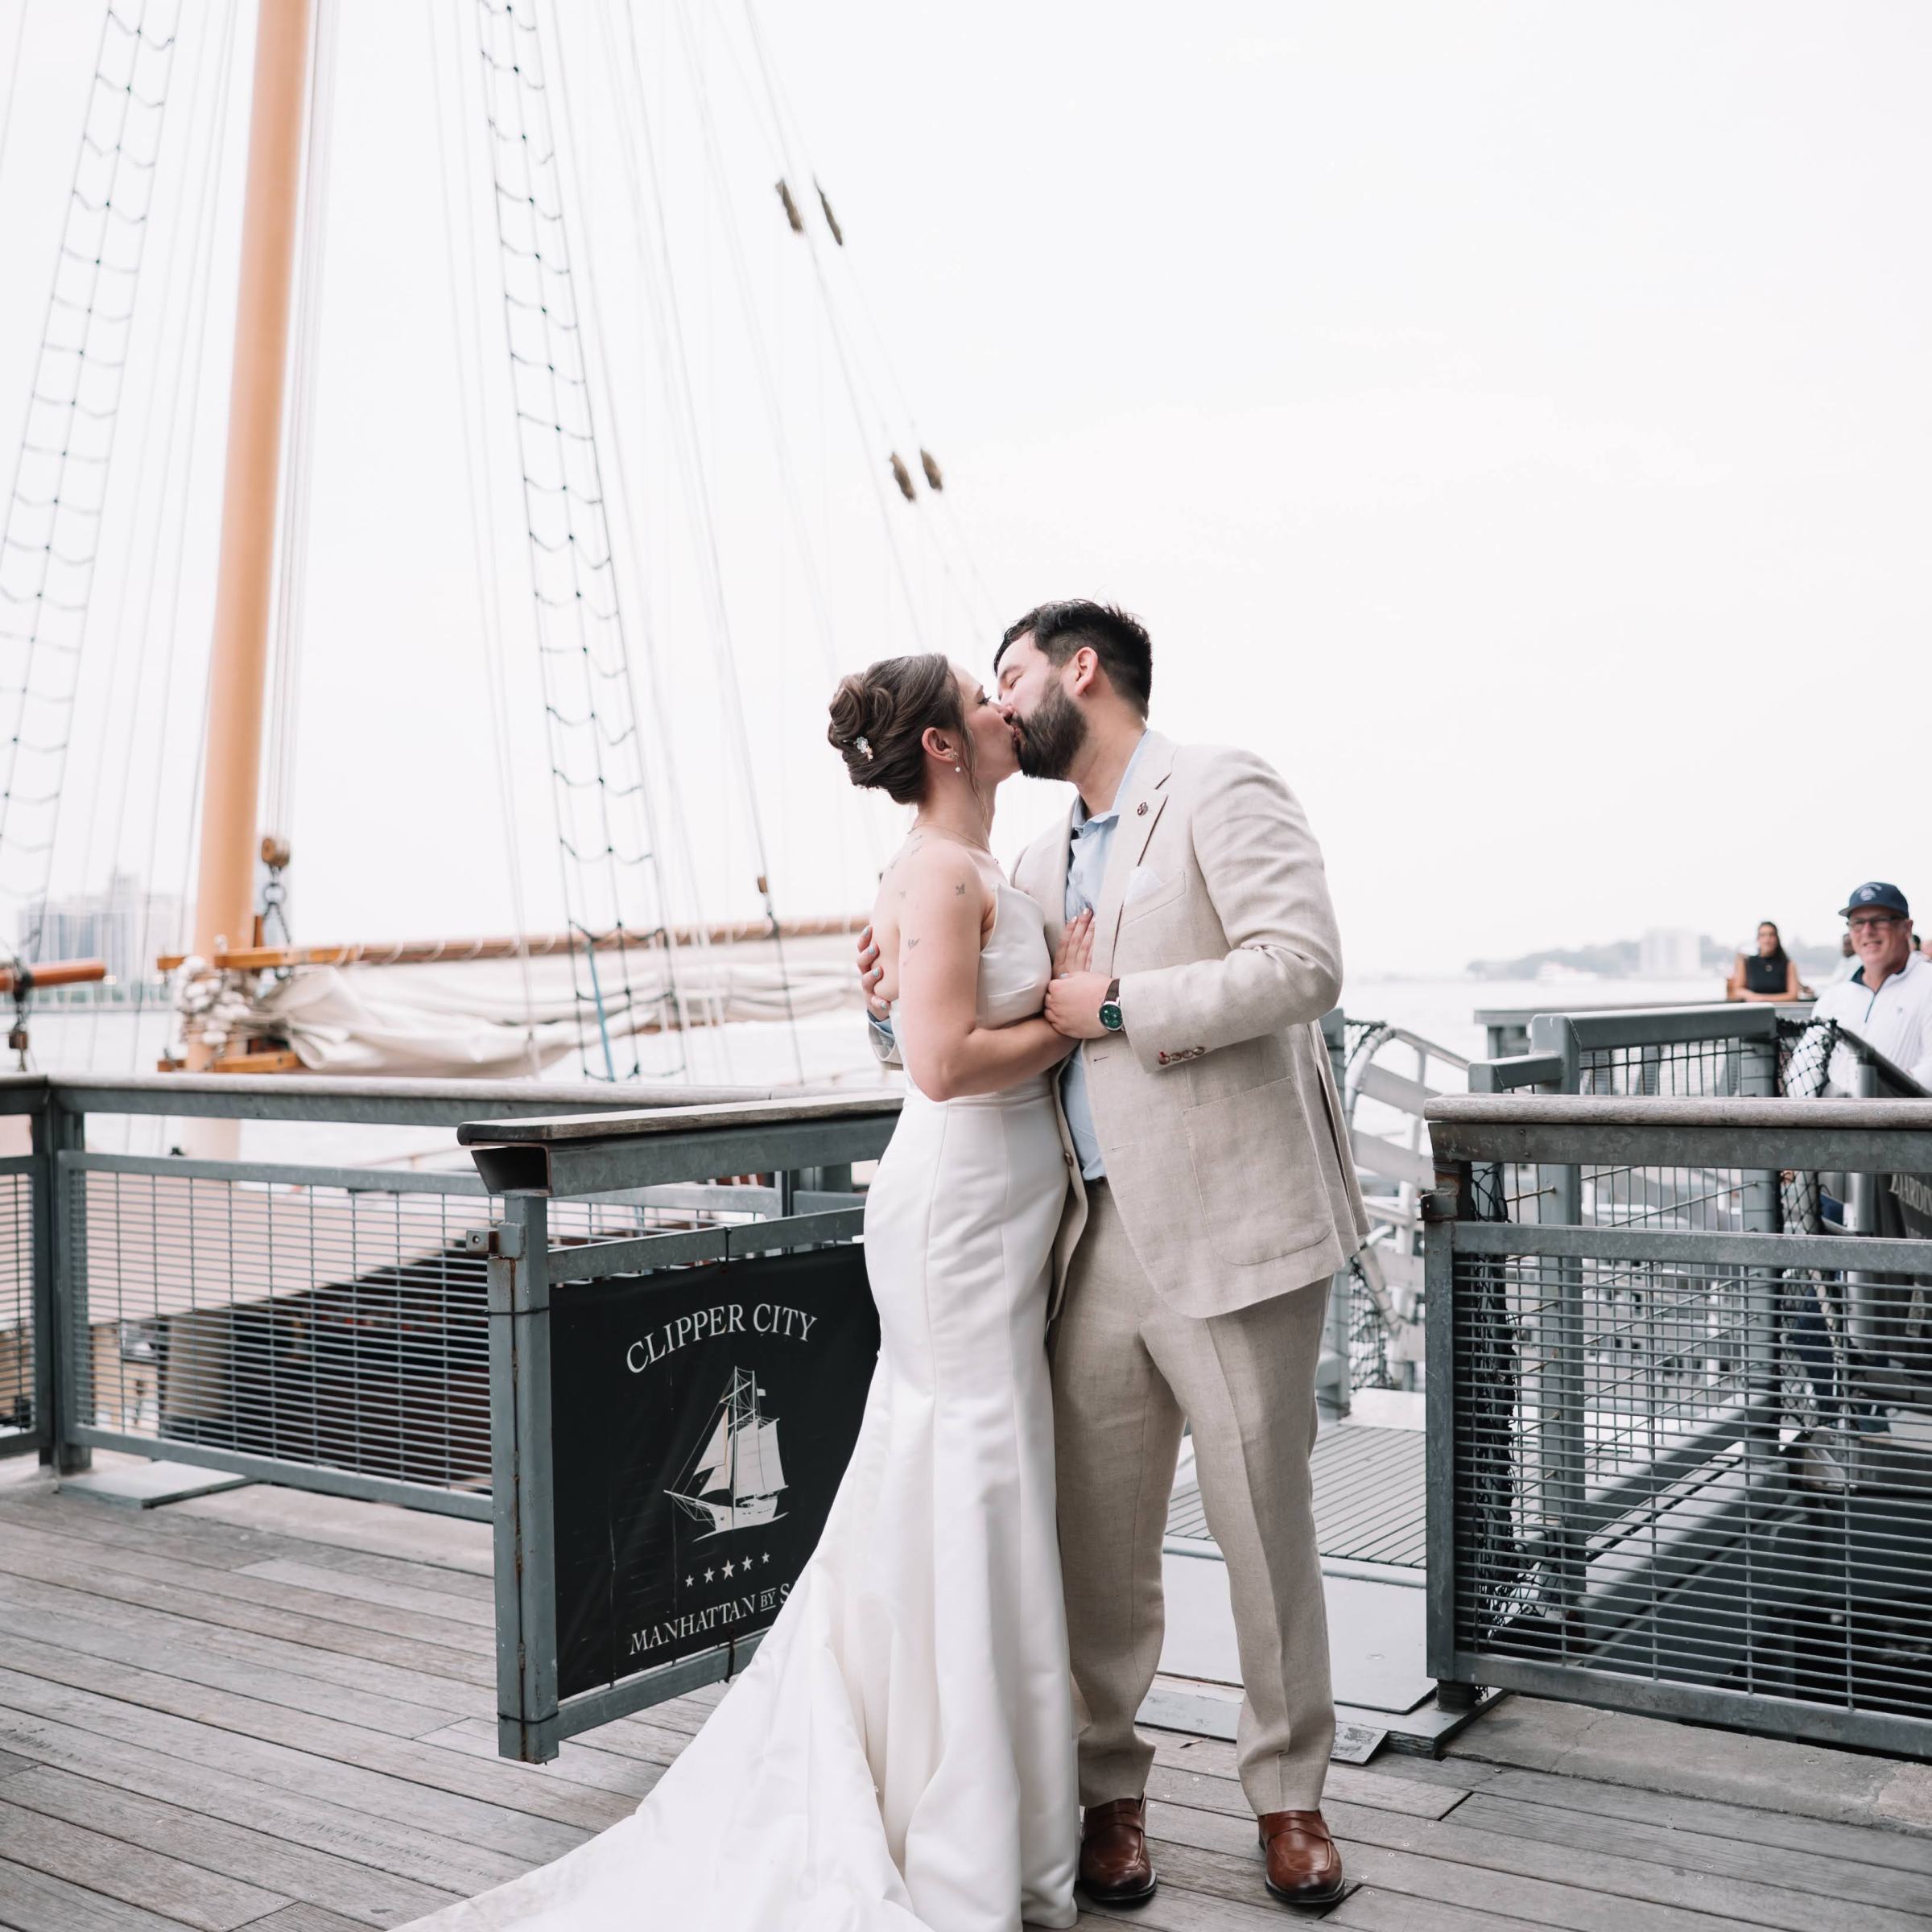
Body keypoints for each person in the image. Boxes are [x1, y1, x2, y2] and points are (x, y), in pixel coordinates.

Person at [398, 654, 1094, 1932]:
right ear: (945, 746)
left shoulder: (988, 868)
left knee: (967, 1484)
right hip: (958, 1211)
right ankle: (957, 1821)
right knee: (966, 1470)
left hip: (1000, 1211)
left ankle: (980, 1798)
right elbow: (939, 1064)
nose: (1008, 710)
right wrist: (1075, 1016)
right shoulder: (938, 872)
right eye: (983, 700)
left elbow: (910, 1029)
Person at [863, 600, 1366, 1909]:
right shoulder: (1025, 860)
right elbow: (970, 1003)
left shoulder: (1220, 785)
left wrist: (1130, 1003)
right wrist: (889, 967)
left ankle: (1290, 1797)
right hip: (1074, 1241)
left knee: (1267, 1532)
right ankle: (1109, 1799)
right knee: (1097, 1547)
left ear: (1081, 670)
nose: (996, 699)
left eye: (1010, 673)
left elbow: (1302, 965)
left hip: (1233, 1233)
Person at [1812, 881, 1932, 1090]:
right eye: (1858, 922)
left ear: (1907, 927)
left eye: (1879, 920)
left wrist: (1876, 1098)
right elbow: (1803, 1070)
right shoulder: (1834, 997)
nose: (1867, 931)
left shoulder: (1927, 982)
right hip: (1831, 1118)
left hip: (1908, 1120)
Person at [1726, 921, 1805, 1001]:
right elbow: (1738, 990)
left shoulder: (1788, 965)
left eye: (1771, 935)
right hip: (1755, 1011)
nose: (1767, 940)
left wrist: (1761, 999)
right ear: (1758, 939)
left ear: (1777, 939)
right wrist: (1750, 995)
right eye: (1763, 935)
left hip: (1781, 1011)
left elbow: (1793, 996)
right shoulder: (1747, 962)